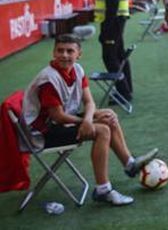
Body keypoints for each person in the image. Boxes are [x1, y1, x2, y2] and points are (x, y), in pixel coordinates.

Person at [22, 34, 158, 205]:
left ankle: (130, 164)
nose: (64, 55)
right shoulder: (49, 79)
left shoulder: (77, 70)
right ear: (53, 53)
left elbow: (89, 102)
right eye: (60, 51)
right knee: (102, 130)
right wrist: (86, 122)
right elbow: (58, 116)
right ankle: (103, 190)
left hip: (59, 121)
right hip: (42, 133)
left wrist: (88, 119)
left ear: (79, 54)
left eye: (69, 51)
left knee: (108, 115)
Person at [95, 0, 133, 102]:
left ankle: (123, 93)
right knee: (120, 56)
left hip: (112, 22)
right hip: (117, 22)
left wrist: (105, 31)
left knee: (110, 58)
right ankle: (126, 89)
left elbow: (112, 8)